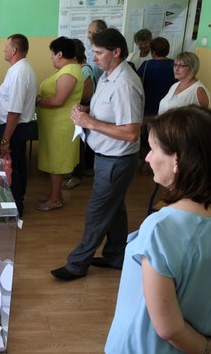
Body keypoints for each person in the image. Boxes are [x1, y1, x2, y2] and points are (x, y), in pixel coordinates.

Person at [105, 106, 211, 353]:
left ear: (176, 160)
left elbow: (169, 328)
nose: (147, 158)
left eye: (153, 150)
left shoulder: (163, 228)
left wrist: (207, 349)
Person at [51, 28, 144, 281]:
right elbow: (107, 110)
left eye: (99, 53)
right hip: (106, 157)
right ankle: (116, 255)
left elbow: (131, 132)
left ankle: (77, 264)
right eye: (93, 52)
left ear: (116, 52)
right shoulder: (106, 76)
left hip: (117, 160)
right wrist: (85, 109)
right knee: (114, 209)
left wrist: (90, 122)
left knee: (97, 212)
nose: (94, 58)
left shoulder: (125, 83)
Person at [36, 37, 84, 211]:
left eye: (52, 54)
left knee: (57, 163)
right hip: (54, 125)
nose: (51, 58)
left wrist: (39, 101)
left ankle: (55, 199)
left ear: (60, 54)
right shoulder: (66, 70)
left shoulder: (69, 72)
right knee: (53, 161)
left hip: (61, 126)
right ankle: (55, 194)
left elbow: (58, 101)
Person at [0, 33, 38, 219]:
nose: (4, 49)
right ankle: (14, 204)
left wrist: (5, 139)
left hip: (16, 129)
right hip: (16, 128)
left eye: (6, 47)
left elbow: (14, 111)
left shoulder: (20, 73)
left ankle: (15, 208)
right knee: (17, 167)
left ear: (14, 50)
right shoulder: (18, 69)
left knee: (15, 170)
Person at [64, 38, 96, 190]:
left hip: (83, 111)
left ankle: (77, 175)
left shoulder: (85, 70)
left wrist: (68, 95)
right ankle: (72, 171)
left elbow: (87, 93)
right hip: (76, 111)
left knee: (78, 145)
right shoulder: (76, 69)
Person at [137, 37, 176, 116]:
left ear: (153, 52)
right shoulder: (175, 64)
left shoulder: (146, 64)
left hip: (149, 105)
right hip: (170, 105)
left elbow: (138, 83)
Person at [86, 19, 107, 83]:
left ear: (100, 33)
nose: (88, 37)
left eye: (90, 32)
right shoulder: (91, 51)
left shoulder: (108, 52)